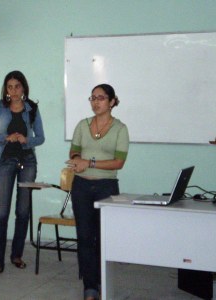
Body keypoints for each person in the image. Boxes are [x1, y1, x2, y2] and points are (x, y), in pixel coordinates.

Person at [66, 84, 129, 300]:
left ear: (112, 102)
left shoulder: (120, 129)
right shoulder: (82, 126)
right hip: (81, 187)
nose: (95, 102)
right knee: (84, 237)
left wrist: (89, 162)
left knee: (102, 238)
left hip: (106, 188)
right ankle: (90, 287)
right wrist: (76, 160)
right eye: (92, 98)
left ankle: (102, 280)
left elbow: (119, 162)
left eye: (101, 98)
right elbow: (74, 150)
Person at [0, 71, 45, 277]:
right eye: (9, 87)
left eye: (17, 86)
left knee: (22, 211)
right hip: (5, 161)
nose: (13, 91)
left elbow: (41, 138)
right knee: (1, 213)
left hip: (27, 161)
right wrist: (6, 137)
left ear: (24, 88)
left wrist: (26, 139)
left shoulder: (32, 108)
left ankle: (16, 255)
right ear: (6, 89)